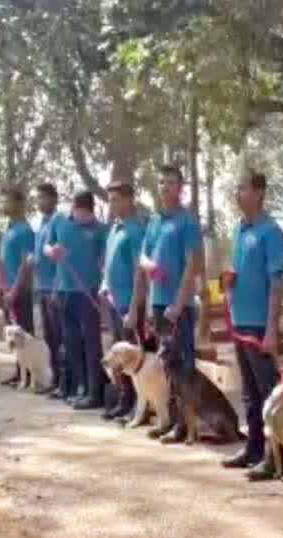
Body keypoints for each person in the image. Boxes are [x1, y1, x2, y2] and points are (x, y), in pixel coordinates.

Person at [129, 165, 203, 443]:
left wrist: (178, 305)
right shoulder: (155, 221)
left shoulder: (187, 222)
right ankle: (169, 420)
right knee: (166, 367)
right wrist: (149, 266)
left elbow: (192, 265)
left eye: (171, 183)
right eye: (161, 182)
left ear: (180, 187)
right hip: (159, 303)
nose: (165, 187)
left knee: (184, 367)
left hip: (178, 307)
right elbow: (144, 257)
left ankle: (187, 425)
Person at [219, 172, 283, 475]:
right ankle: (254, 447)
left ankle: (275, 458)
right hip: (240, 322)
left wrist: (272, 327)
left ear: (260, 192)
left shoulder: (270, 232)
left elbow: (278, 282)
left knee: (267, 394)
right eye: (237, 188)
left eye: (243, 188)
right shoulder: (241, 230)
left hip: (260, 326)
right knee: (248, 392)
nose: (238, 193)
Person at [45, 191, 109, 410]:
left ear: (93, 210)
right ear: (73, 209)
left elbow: (104, 260)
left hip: (87, 292)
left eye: (88, 213)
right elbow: (47, 245)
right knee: (70, 341)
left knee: (91, 342)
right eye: (80, 212)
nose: (84, 217)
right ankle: (79, 388)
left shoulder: (100, 230)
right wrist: (52, 251)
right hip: (64, 291)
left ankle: (95, 392)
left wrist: (103, 284)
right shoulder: (59, 222)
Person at [100, 180, 148, 422]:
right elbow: (109, 264)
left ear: (130, 200)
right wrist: (104, 287)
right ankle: (124, 400)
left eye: (116, 199)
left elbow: (139, 272)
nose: (112, 204)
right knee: (118, 358)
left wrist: (134, 309)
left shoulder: (136, 230)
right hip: (113, 302)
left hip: (129, 306)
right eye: (110, 200)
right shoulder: (115, 228)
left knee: (132, 359)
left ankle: (137, 406)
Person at [0, 185, 36, 387]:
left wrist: (14, 290)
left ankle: (29, 374)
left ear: (20, 204)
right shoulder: (9, 228)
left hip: (19, 291)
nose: (2, 205)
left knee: (23, 334)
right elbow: (10, 259)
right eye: (1, 201)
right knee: (12, 333)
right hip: (5, 287)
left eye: (6, 201)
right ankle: (19, 371)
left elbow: (26, 264)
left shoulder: (25, 231)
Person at [31, 183, 68, 397]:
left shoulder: (59, 221)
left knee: (61, 338)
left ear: (54, 199)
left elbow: (61, 257)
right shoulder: (41, 224)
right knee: (50, 338)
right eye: (38, 198)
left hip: (55, 289)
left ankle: (65, 383)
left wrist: (55, 288)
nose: (39, 202)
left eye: (43, 197)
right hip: (41, 288)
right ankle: (56, 380)